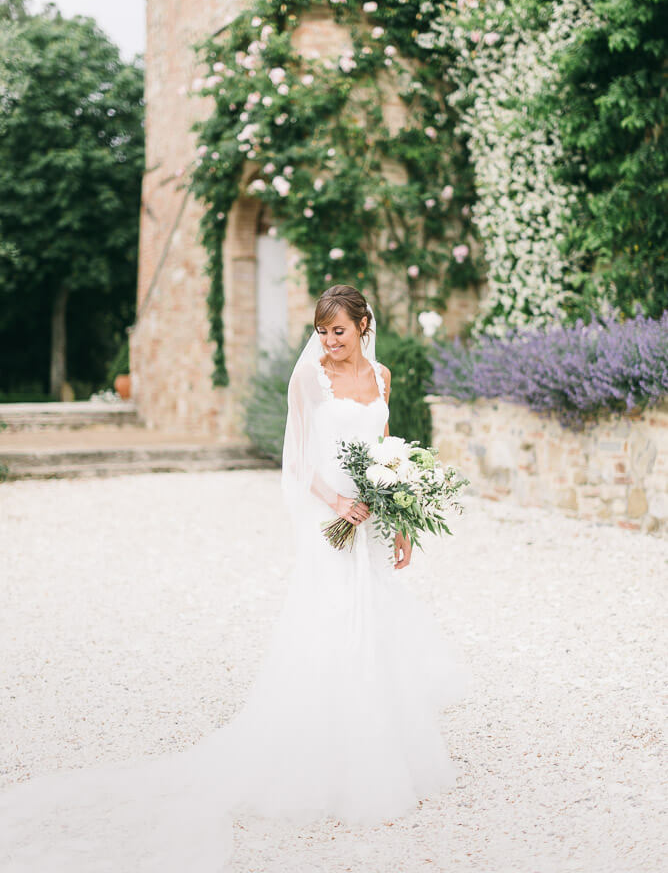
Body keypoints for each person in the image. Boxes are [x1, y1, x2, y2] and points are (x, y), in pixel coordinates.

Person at [0, 284, 471, 872]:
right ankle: (317, 757)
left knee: (373, 620)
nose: (329, 342)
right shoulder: (311, 379)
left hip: (374, 521)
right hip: (330, 519)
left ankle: (381, 749)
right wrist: (334, 504)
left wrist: (398, 517)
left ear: (364, 325)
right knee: (328, 621)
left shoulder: (384, 376)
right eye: (322, 331)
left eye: (339, 332)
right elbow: (296, 459)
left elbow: (386, 452)